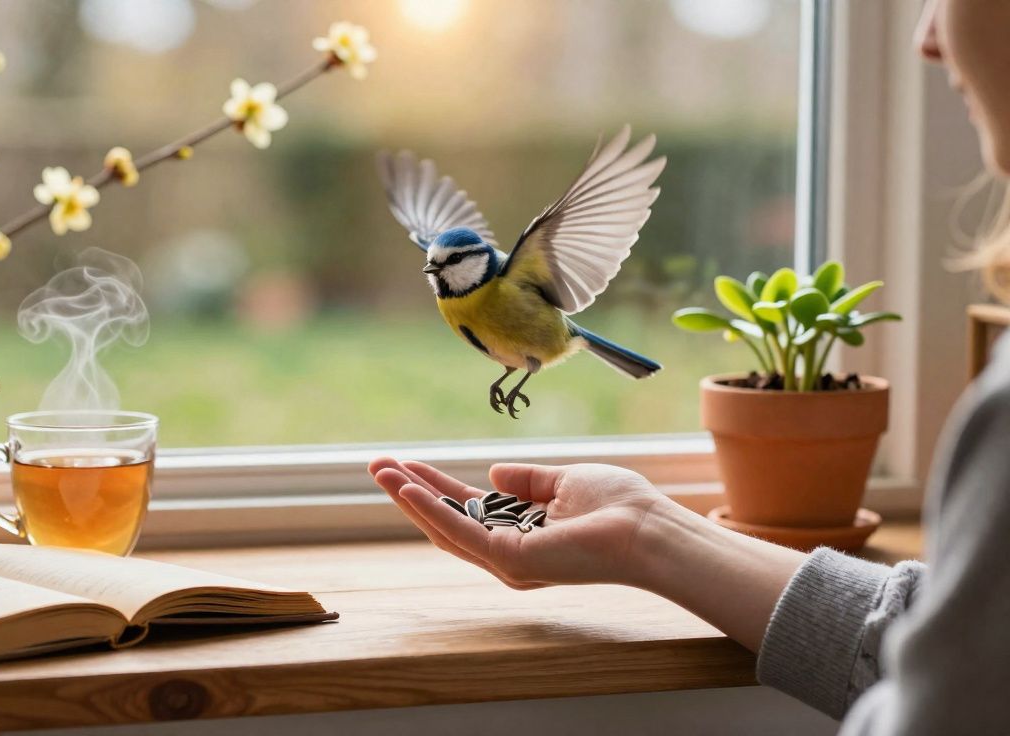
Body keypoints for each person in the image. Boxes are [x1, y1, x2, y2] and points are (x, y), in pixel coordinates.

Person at [368, 1, 1010, 732]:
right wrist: (648, 533)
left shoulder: (1005, 414)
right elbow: (943, 631)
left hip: (551, 335)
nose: (925, 34)